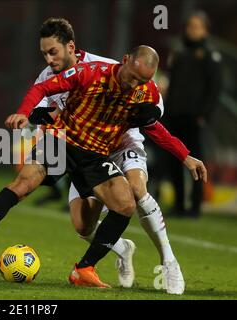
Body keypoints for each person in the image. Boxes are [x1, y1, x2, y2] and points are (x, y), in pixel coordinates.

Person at [0, 42, 197, 288]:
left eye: (141, 80)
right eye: (132, 77)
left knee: (122, 205)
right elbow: (42, 88)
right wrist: (24, 112)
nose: (133, 84)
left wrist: (185, 155)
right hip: (62, 139)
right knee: (24, 182)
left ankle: (83, 270)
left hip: (95, 154)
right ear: (124, 60)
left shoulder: (147, 94)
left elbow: (152, 128)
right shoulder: (90, 72)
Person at [28, 18, 207, 294]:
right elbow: (38, 109)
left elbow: (154, 109)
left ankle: (169, 261)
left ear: (69, 48)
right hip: (88, 151)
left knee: (136, 190)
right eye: (47, 53)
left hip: (123, 143)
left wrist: (182, 151)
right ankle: (122, 247)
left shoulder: (131, 78)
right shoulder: (71, 75)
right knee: (82, 225)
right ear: (125, 62)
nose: (135, 83)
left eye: (53, 51)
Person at [165, 10, 222, 218]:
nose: (192, 30)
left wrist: (203, 115)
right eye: (190, 26)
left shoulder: (210, 56)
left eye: (197, 27)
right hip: (175, 115)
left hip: (195, 118)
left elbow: (214, 89)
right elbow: (173, 85)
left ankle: (195, 206)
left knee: (196, 161)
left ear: (205, 30)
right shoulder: (180, 54)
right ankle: (179, 203)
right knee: (175, 160)